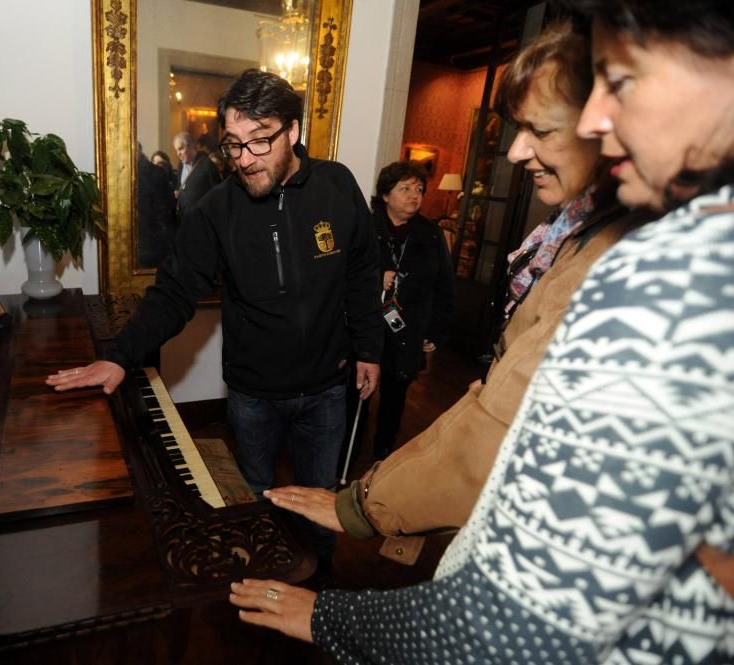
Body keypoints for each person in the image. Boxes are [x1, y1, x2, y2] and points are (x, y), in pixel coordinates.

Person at [229, 2, 734, 662]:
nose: (594, 120)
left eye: (624, 81)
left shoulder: (663, 282)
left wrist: (331, 613)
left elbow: (505, 627)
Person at [265, 20, 650, 569]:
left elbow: (497, 426)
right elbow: (489, 403)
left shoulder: (613, 256)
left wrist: (362, 507)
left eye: (540, 130)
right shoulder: (574, 234)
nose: (516, 152)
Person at [47, 69, 382, 568]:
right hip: (253, 395)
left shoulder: (337, 185)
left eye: (260, 142)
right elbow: (173, 292)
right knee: (253, 504)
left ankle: (318, 599)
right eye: (233, 145)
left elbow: (361, 271)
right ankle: (255, 596)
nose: (245, 159)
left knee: (320, 508)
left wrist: (369, 349)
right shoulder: (215, 210)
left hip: (326, 387)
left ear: (293, 132)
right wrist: (120, 357)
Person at [368, 161, 454, 460]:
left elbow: (444, 286)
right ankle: (344, 456)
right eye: (404, 188)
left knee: (395, 397)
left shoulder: (431, 234)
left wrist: (435, 331)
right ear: (385, 195)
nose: (414, 195)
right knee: (357, 396)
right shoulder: (366, 227)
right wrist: (376, 277)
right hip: (368, 328)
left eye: (419, 189)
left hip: (408, 329)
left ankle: (382, 457)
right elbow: (344, 276)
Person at [136, 144, 179, 268]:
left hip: (146, 240)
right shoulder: (157, 172)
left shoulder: (126, 174)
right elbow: (170, 204)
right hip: (159, 237)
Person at [173, 131, 222, 221]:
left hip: (201, 220)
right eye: (176, 150)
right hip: (183, 220)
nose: (178, 153)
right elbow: (181, 185)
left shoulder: (207, 165)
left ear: (191, 146)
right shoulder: (180, 165)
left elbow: (218, 195)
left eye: (181, 149)